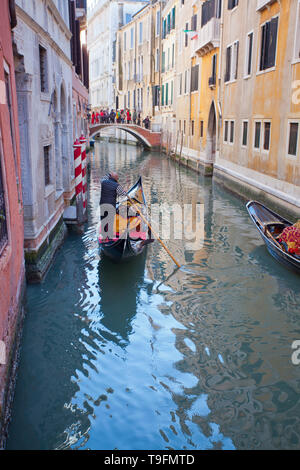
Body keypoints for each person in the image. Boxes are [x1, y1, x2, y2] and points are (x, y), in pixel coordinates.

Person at [100, 172, 127, 239]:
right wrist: (125, 192)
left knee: (103, 220)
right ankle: (109, 236)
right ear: (116, 179)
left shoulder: (103, 182)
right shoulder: (117, 185)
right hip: (111, 206)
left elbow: (104, 177)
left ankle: (104, 237)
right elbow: (122, 195)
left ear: (109, 177)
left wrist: (109, 174)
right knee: (110, 221)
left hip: (102, 204)